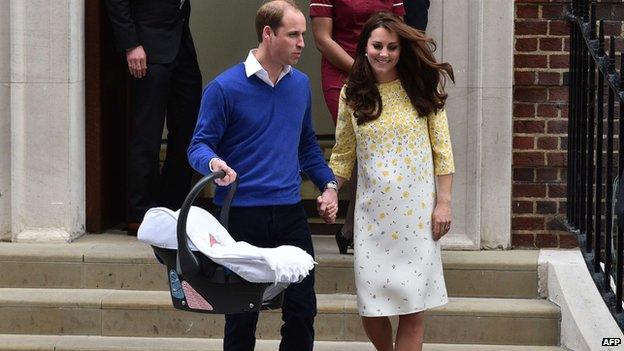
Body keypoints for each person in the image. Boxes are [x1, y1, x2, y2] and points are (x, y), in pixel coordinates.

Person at [187, 1, 338, 350]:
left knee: (302, 310)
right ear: (268, 34)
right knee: (241, 317)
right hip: (241, 215)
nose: (303, 43)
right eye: (294, 34)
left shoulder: (299, 85)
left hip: (290, 214)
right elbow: (198, 146)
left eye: (303, 34)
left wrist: (328, 186)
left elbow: (307, 147)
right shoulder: (224, 88)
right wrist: (215, 165)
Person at [328, 12, 454, 351]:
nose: (384, 53)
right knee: (371, 309)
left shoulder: (421, 88)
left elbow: (442, 151)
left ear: (402, 50)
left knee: (413, 309)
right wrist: (330, 190)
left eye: (392, 47)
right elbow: (343, 153)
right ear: (364, 47)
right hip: (372, 219)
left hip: (416, 217)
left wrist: (443, 203)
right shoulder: (351, 94)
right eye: (377, 46)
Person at [311, 0, 405, 254]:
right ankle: (358, 228)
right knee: (354, 146)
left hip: (382, 67)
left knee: (378, 148)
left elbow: (399, 29)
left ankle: (354, 227)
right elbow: (322, 39)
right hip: (343, 72)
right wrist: (363, 70)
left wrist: (384, 68)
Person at [105, 0, 202, 234]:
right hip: (146, 48)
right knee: (147, 133)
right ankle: (140, 212)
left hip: (181, 44)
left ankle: (174, 207)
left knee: (188, 130)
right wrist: (131, 44)